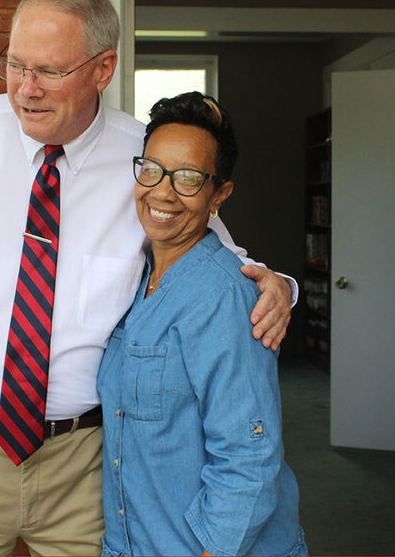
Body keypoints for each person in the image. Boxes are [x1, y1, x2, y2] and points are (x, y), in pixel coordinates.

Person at [0, 0, 295, 556]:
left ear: (103, 69)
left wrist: (280, 287)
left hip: (88, 462)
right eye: (15, 65)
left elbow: (214, 253)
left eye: (49, 71)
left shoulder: (144, 161)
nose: (26, 88)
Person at [97, 92, 307, 557]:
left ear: (219, 194)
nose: (162, 191)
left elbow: (249, 460)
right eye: (151, 169)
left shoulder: (224, 299)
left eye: (188, 178)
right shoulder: (137, 275)